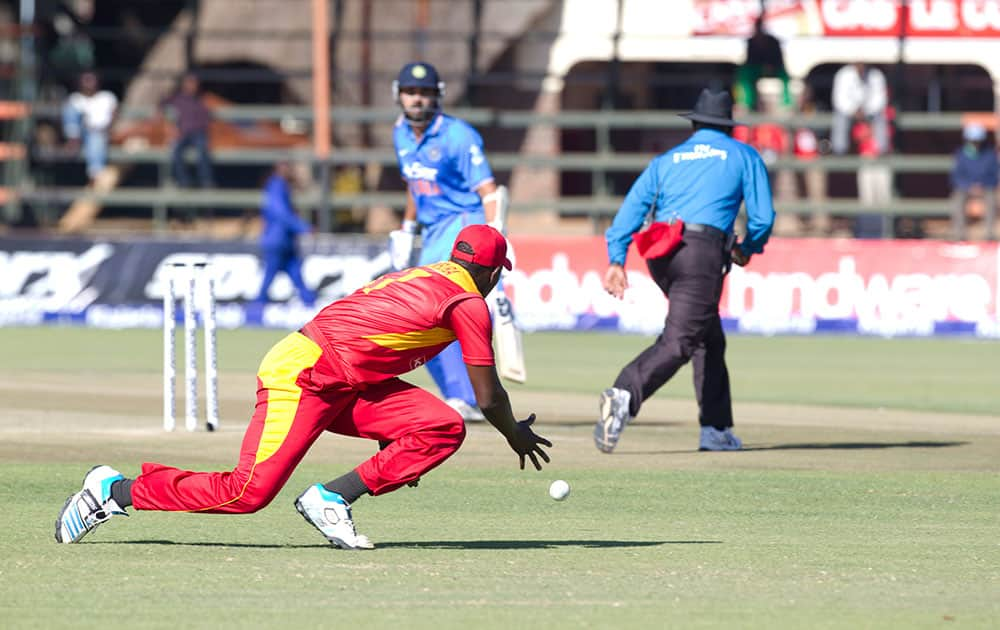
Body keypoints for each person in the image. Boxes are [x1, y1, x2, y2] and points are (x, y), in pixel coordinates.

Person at [54, 224, 552, 550]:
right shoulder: (468, 302)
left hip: (348, 379)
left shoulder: (423, 272)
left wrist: (396, 443)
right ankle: (113, 491)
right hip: (305, 375)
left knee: (438, 426)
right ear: (489, 272)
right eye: (495, 276)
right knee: (246, 493)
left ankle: (330, 500)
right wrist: (515, 435)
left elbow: (375, 344)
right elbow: (488, 397)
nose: (494, 284)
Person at [594, 89, 775, 454]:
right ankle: (625, 393)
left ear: (694, 123)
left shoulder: (667, 160)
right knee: (681, 341)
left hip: (663, 254)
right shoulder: (743, 155)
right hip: (702, 254)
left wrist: (616, 260)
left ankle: (716, 428)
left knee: (708, 337)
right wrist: (746, 248)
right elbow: (762, 218)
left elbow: (630, 211)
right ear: (730, 127)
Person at [389, 61, 505, 422]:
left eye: (424, 93)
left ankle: (463, 395)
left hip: (463, 226)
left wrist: (496, 233)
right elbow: (413, 183)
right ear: (399, 95)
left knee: (435, 310)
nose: (417, 100)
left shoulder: (459, 136)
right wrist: (408, 229)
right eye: (411, 92)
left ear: (437, 96)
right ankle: (462, 395)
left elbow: (488, 190)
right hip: (432, 231)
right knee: (419, 315)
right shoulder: (400, 134)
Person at [255, 162, 316, 306]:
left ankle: (308, 301)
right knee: (271, 273)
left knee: (295, 271)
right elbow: (282, 214)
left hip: (285, 240)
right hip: (276, 240)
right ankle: (258, 304)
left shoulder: (282, 186)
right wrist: (303, 227)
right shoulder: (276, 186)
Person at [159, 71, 214, 188]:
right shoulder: (177, 98)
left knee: (202, 149)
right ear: (184, 84)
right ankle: (184, 182)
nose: (192, 85)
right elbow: (161, 105)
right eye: (190, 82)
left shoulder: (202, 99)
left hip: (199, 133)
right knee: (175, 151)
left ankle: (205, 182)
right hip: (183, 133)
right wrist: (171, 126)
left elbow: (207, 117)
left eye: (194, 83)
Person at [61, 71, 117, 181]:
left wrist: (107, 130)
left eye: (91, 79)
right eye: (86, 80)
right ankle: (73, 139)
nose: (88, 83)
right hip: (81, 132)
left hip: (101, 132)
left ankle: (95, 175)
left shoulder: (107, 97)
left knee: (96, 137)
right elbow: (71, 117)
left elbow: (115, 116)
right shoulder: (75, 98)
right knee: (70, 110)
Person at [950, 123, 998, 241]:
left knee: (992, 199)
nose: (975, 143)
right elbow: (956, 176)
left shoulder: (990, 154)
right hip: (966, 187)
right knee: (958, 198)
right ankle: (959, 236)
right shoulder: (961, 154)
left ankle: (989, 235)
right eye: (972, 140)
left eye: (977, 140)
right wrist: (968, 185)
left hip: (985, 187)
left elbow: (995, 174)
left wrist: (983, 185)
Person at [734, 16, 791, 112]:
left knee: (785, 76)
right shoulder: (751, 42)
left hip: (774, 68)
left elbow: (779, 58)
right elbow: (749, 60)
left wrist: (770, 66)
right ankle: (747, 102)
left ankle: (787, 103)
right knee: (744, 74)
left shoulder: (773, 41)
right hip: (757, 69)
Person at [831, 62, 888, 156]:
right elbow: (839, 100)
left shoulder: (876, 75)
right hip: (848, 113)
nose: (860, 66)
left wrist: (866, 110)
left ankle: (882, 150)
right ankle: (839, 152)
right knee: (839, 118)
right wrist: (853, 110)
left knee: (881, 117)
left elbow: (880, 100)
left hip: (870, 113)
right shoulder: (844, 74)